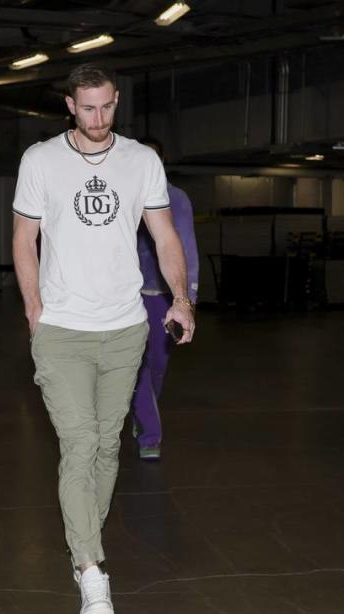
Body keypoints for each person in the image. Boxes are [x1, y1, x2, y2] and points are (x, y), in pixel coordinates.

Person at [11, 63, 195, 614]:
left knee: (109, 448)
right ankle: (91, 569)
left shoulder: (141, 160)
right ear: (70, 105)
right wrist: (35, 313)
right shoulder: (40, 160)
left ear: (117, 102)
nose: (98, 119)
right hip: (63, 330)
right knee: (80, 443)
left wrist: (181, 300)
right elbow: (24, 238)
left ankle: (84, 543)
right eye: (87, 108)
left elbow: (164, 234)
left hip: (125, 328)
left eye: (107, 107)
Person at [131, 137, 199, 461]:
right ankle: (150, 436)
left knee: (157, 367)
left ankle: (144, 411)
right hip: (129, 298)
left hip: (163, 299)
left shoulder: (177, 198)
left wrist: (188, 299)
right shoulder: (124, 195)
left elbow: (186, 247)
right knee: (137, 367)